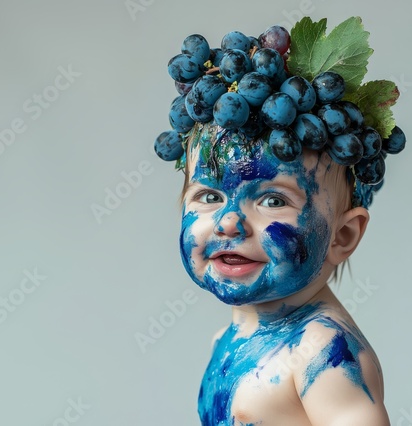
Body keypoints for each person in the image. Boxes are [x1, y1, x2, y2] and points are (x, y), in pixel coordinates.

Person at [154, 16, 406, 426]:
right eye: (210, 196)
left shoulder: (323, 357)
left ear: (342, 235)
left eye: (272, 200)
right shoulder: (230, 339)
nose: (229, 222)